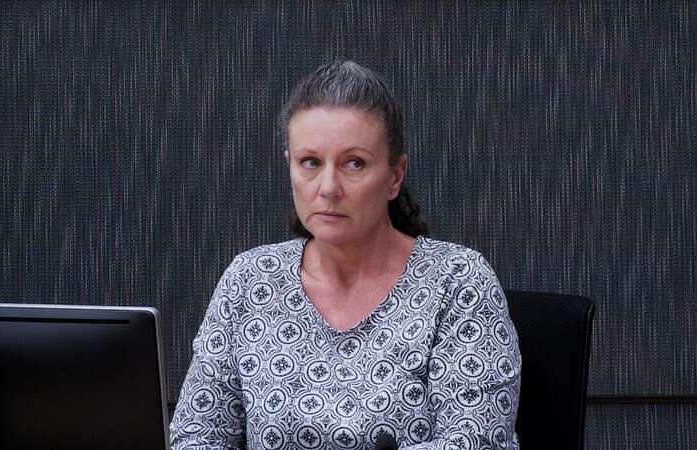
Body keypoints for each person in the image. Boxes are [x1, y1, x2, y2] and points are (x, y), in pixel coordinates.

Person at [170, 61, 522, 449]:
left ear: (394, 176)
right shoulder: (250, 278)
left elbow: (475, 440)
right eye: (311, 163)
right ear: (290, 165)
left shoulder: (458, 280)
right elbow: (196, 436)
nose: (328, 187)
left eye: (354, 163)